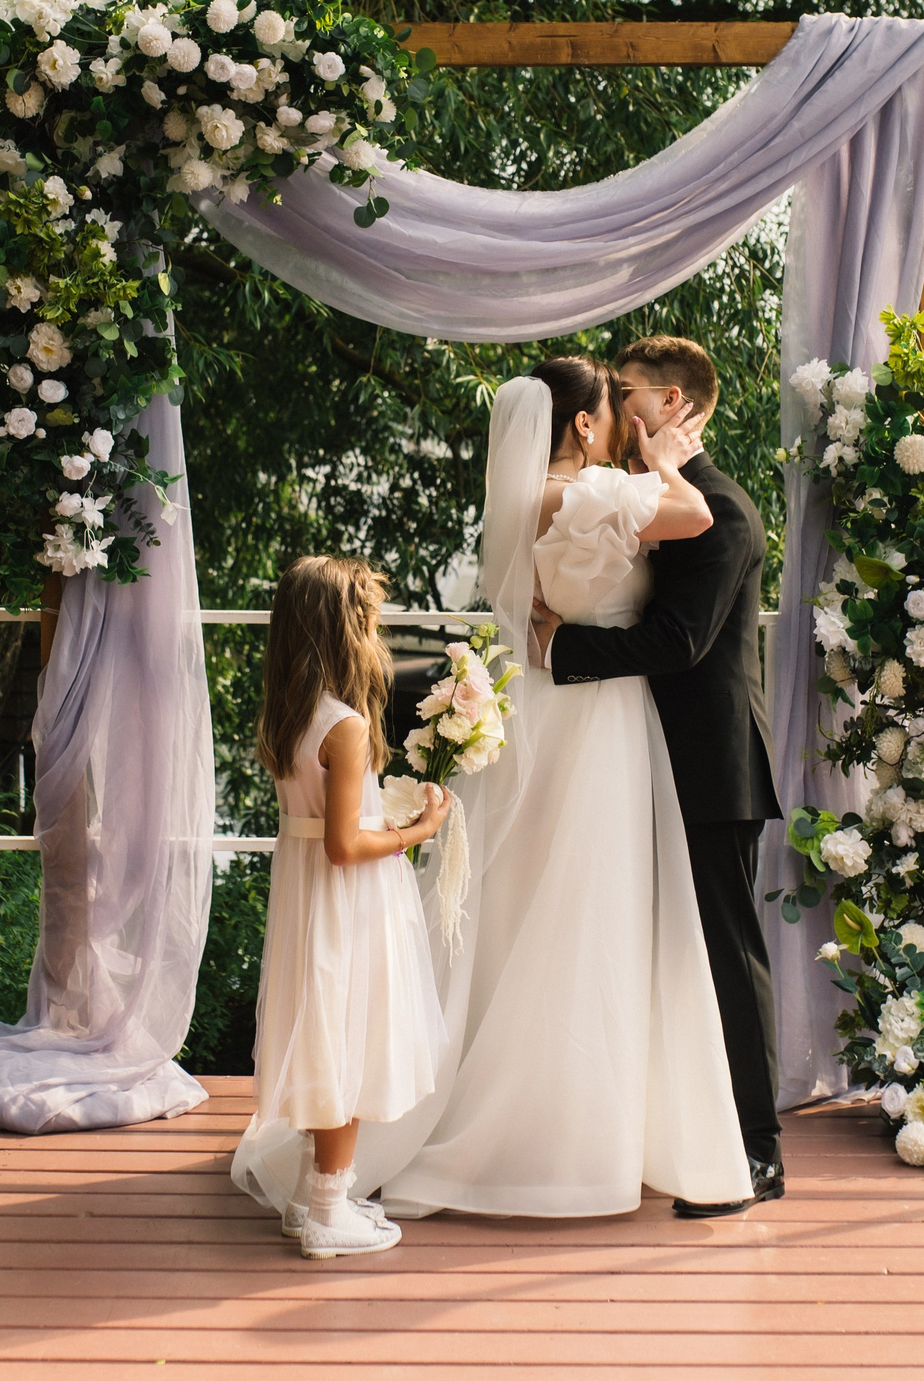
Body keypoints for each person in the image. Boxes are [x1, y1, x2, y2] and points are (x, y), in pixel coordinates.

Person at [236, 355, 752, 1220]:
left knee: (521, 906)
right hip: (598, 719)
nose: (623, 425)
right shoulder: (585, 496)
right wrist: (665, 457)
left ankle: (533, 1109)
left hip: (542, 703)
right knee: (590, 911)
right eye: (610, 411)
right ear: (583, 425)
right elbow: (695, 512)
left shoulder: (529, 500)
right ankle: (565, 1131)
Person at [532, 335, 785, 1215]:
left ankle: (757, 1150)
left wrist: (558, 648)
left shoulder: (724, 510)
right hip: (641, 759)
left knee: (724, 955)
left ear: (674, 403)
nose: (617, 400)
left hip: (712, 766)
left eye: (629, 390)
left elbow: (677, 641)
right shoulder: (655, 492)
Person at [228, 556, 451, 1258]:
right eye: (367, 617)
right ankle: (329, 1207)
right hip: (346, 899)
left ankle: (308, 1196)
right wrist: (420, 829)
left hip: (304, 899)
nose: (375, 630)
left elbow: (321, 822)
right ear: (343, 628)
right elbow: (346, 844)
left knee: (325, 1028)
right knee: (350, 1037)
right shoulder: (348, 726)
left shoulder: (291, 715)